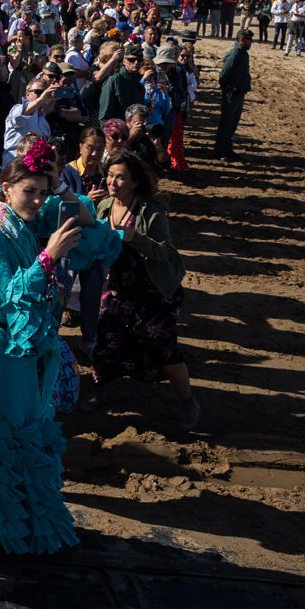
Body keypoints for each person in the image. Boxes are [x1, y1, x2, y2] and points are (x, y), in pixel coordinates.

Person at [0, 139, 110, 559]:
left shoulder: (30, 221)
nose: (36, 200)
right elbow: (9, 296)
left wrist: (59, 187)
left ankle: (24, 525)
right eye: (28, 190)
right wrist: (48, 257)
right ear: (6, 189)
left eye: (41, 192)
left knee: (29, 437)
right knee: (3, 442)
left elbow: (96, 231)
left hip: (27, 348)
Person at [91, 151, 198, 427]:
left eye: (120, 177)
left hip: (153, 290)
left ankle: (187, 401)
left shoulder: (150, 212)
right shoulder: (103, 206)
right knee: (106, 340)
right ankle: (99, 389)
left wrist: (134, 238)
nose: (112, 182)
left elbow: (165, 252)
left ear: (135, 182)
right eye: (110, 175)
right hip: (118, 287)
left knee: (164, 347)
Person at [212, 31, 252, 158]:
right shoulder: (235, 54)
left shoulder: (243, 54)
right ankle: (219, 151)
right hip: (232, 93)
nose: (251, 42)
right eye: (249, 39)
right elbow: (224, 74)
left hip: (239, 93)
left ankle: (227, 149)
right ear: (241, 39)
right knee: (226, 123)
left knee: (233, 123)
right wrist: (227, 90)